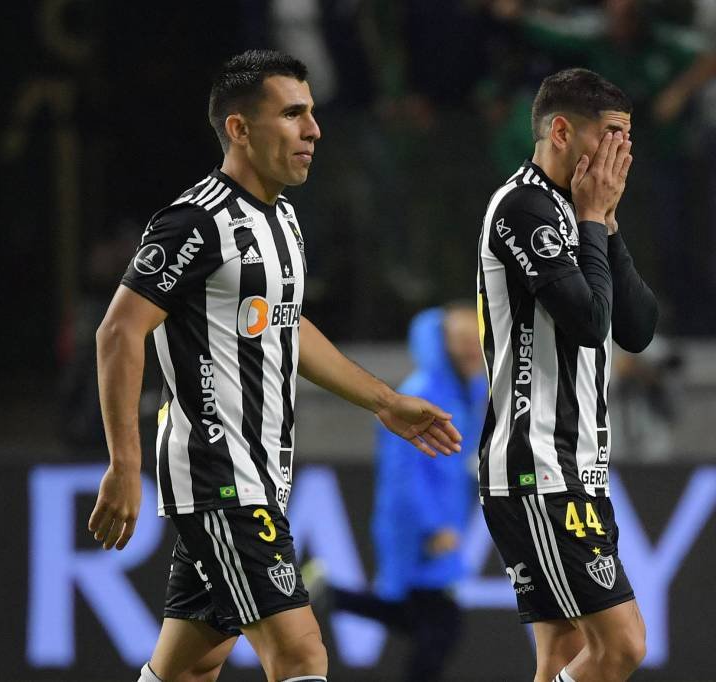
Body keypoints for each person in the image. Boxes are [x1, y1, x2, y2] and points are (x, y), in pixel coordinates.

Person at [88, 49, 462, 682]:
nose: (313, 129)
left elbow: (287, 326)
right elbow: (120, 331)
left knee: (186, 667)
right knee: (300, 652)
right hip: (220, 477)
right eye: (293, 114)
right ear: (239, 128)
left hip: (262, 476)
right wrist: (125, 465)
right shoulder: (195, 222)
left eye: (311, 113)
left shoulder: (282, 220)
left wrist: (384, 401)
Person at [477, 68, 658, 682]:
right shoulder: (523, 207)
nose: (620, 154)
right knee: (622, 646)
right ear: (561, 130)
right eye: (610, 135)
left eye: (627, 139)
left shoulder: (579, 212)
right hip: (539, 467)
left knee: (561, 657)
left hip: (577, 466)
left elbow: (635, 328)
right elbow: (587, 321)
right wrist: (591, 220)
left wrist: (604, 223)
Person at [306, 303, 487, 682]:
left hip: (435, 521)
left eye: (477, 339)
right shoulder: (423, 392)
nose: (473, 349)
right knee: (440, 627)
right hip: (417, 526)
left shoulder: (463, 391)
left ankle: (331, 595)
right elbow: (404, 474)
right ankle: (330, 595)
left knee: (417, 618)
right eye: (463, 340)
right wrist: (433, 525)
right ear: (443, 344)